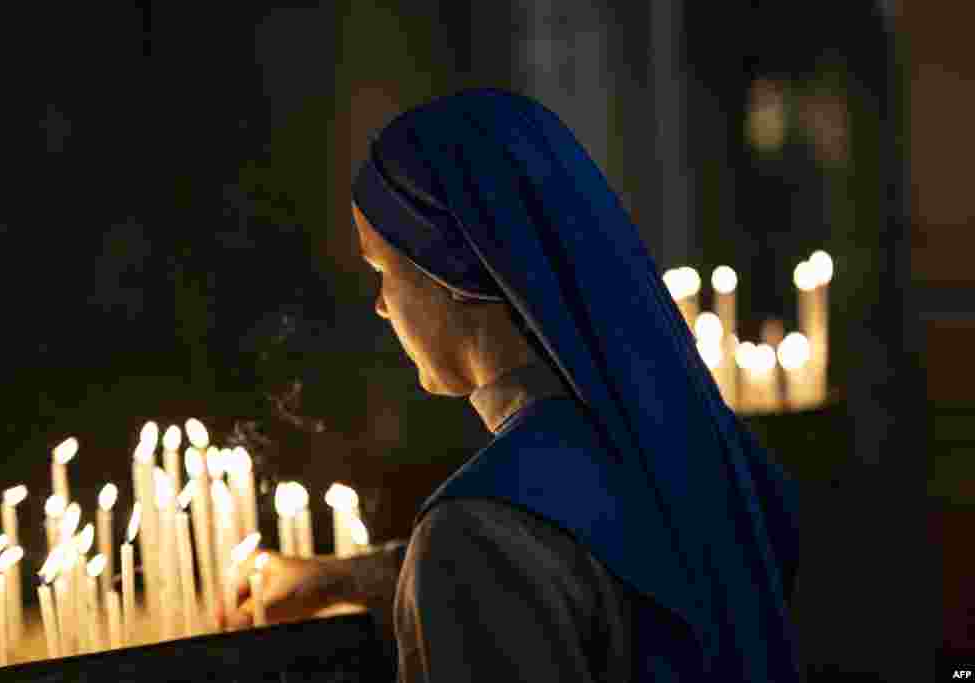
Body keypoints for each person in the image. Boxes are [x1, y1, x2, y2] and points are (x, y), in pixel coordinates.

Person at [221, 88, 802, 681]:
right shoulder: (697, 448)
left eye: (381, 270)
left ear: (450, 271)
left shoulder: (473, 533)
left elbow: (507, 556)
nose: (380, 307)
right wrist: (341, 579)